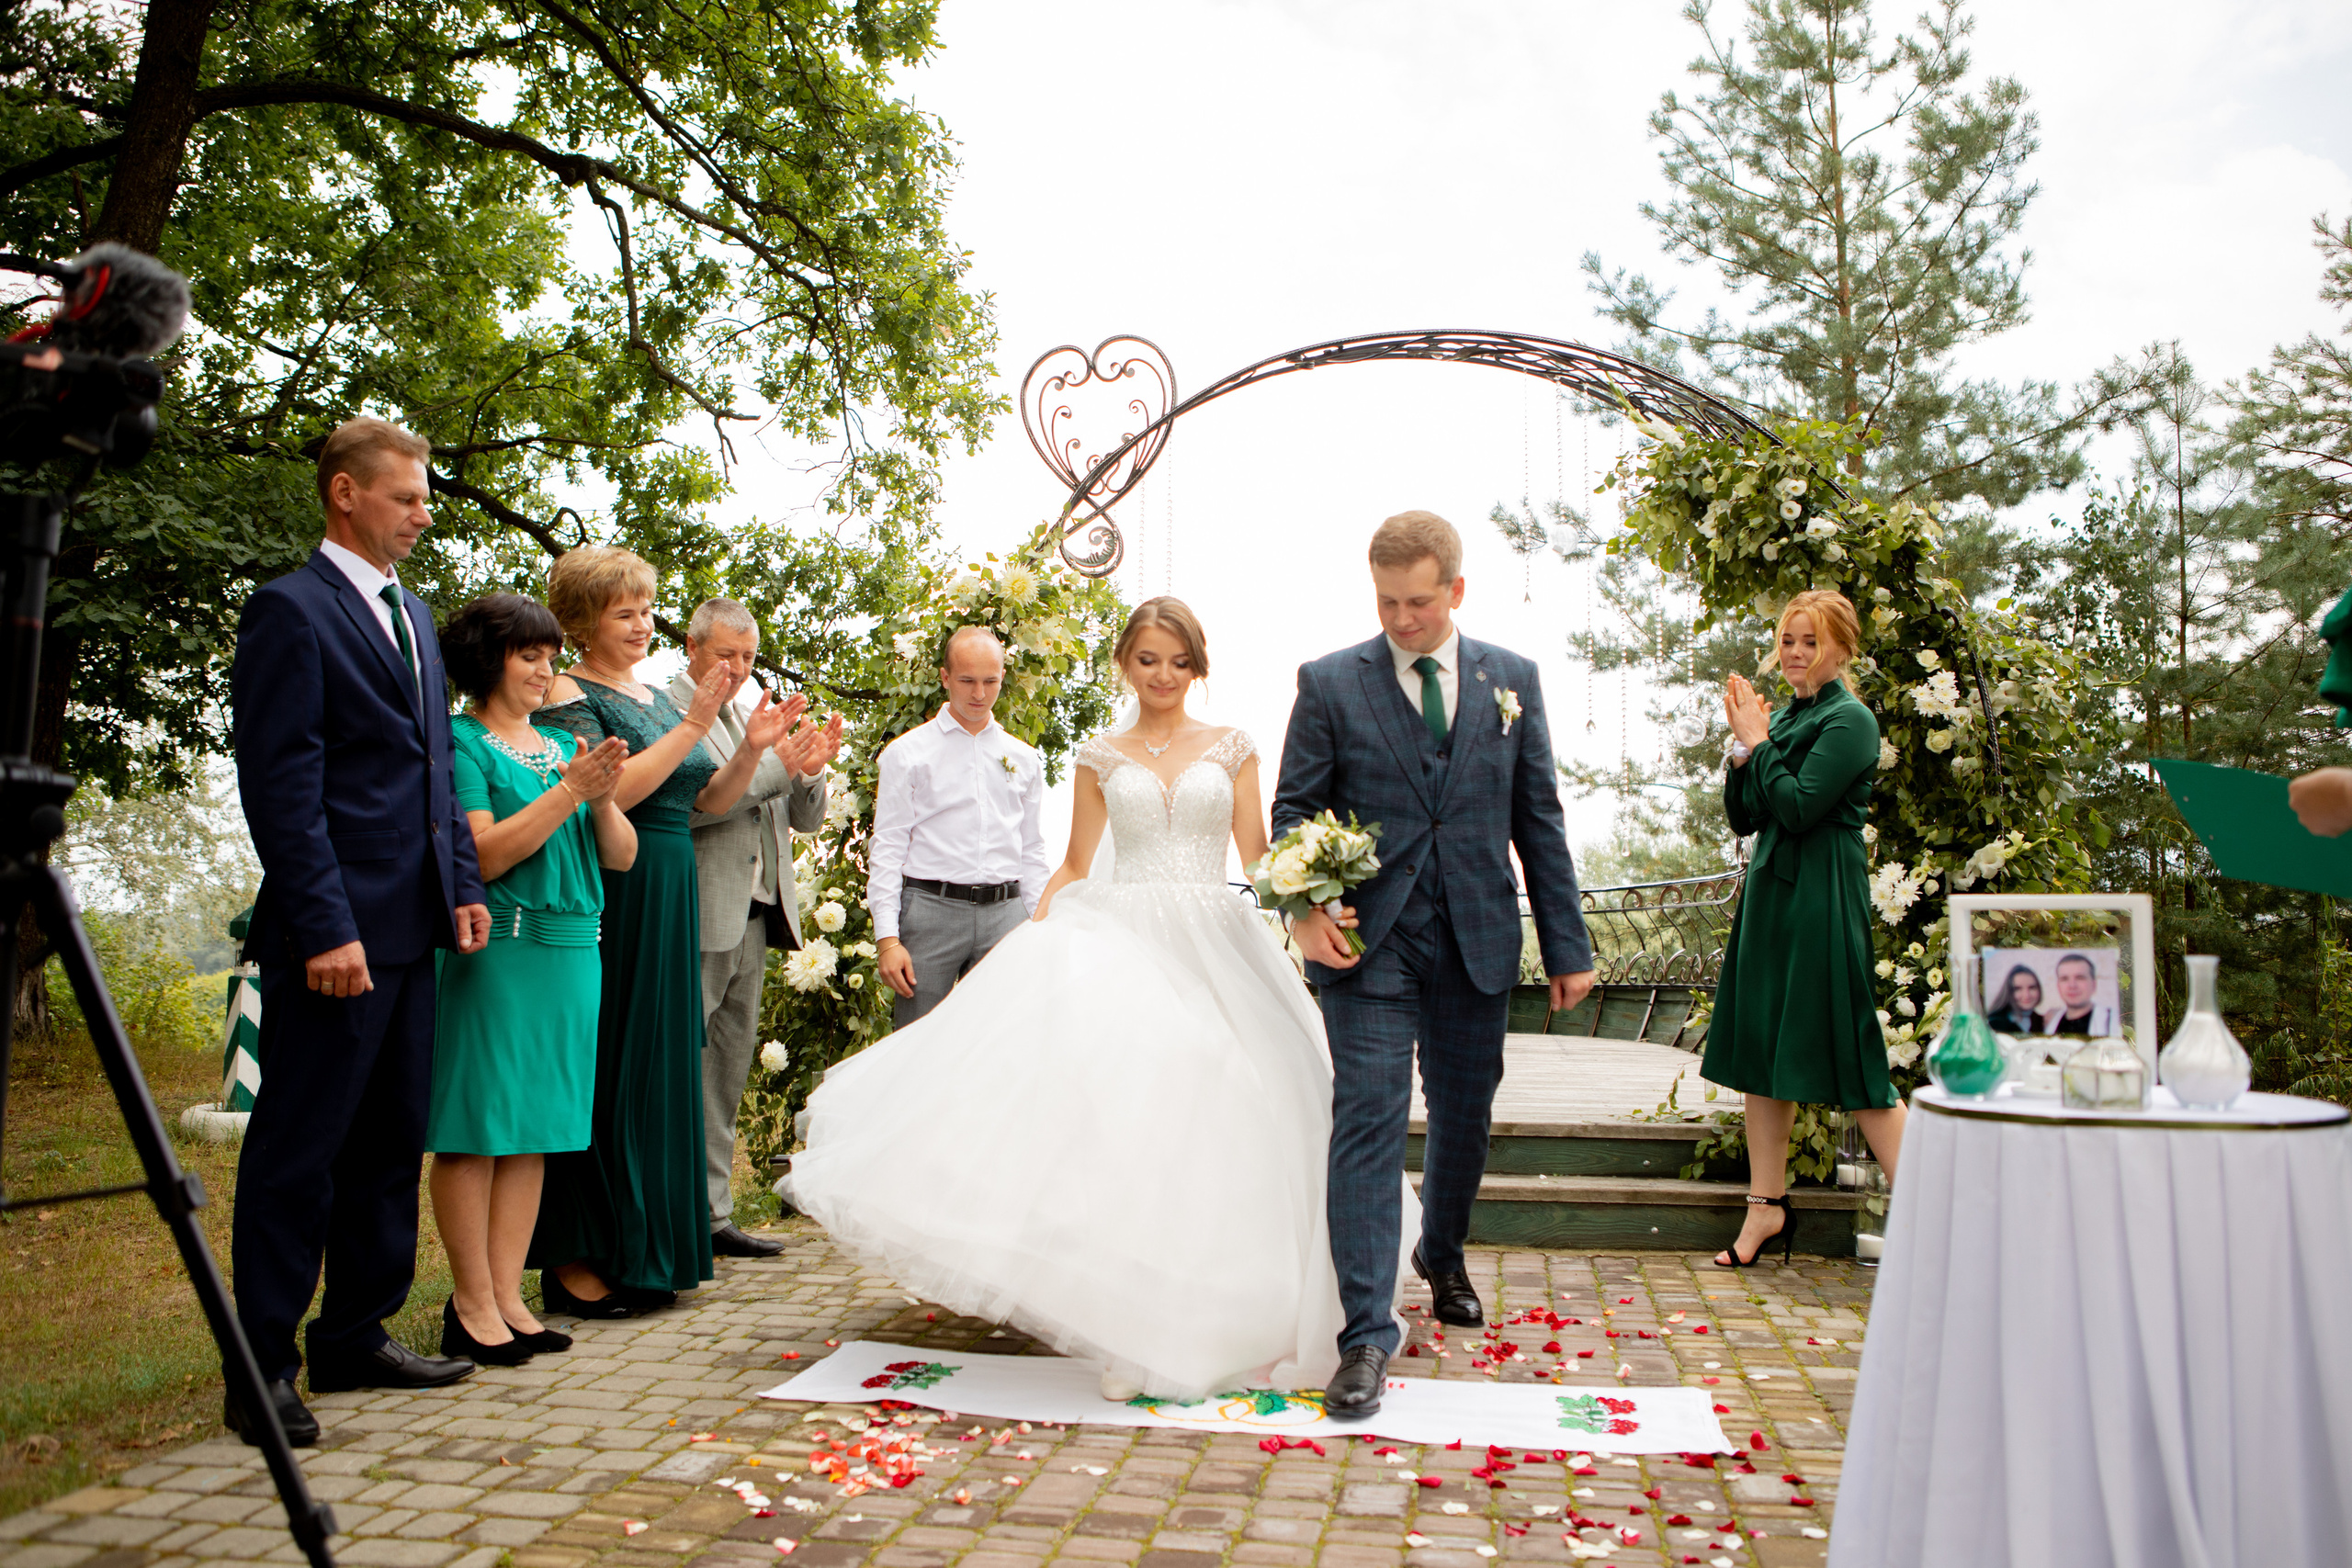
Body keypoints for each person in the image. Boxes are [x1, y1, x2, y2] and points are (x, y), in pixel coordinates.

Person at [787, 598, 1396, 1403]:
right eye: (1148, 659)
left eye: (1179, 661)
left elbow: (1258, 855)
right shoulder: (1099, 753)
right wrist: (1040, 931)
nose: (1164, 676)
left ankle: (1232, 1299)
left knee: (1234, 1106)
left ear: (1198, 667)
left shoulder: (1236, 747)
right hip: (1128, 938)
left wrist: (1308, 904)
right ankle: (1129, 1318)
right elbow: (1076, 861)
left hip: (1217, 940)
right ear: (1126, 662)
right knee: (1133, 1122)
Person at [1271, 511, 1597, 1418]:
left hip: (1478, 934)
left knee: (1464, 1110)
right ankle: (1366, 1336)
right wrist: (1302, 909)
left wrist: (1567, 945)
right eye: (1385, 603)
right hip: (1366, 942)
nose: (1401, 621)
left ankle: (1441, 1250)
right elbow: (1293, 814)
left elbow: (1539, 820)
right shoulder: (1330, 682)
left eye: (1417, 602)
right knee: (1368, 1119)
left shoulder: (1513, 682)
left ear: (1454, 591)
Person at [227, 416, 491, 1446]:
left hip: (413, 923)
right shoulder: (289, 613)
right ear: (346, 493)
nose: (424, 515)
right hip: (333, 936)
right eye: (408, 498)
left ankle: (355, 1334)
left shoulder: (415, 618)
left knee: (388, 1141)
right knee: (301, 1148)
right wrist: (324, 925)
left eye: (425, 500)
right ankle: (261, 1368)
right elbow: (282, 788)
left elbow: (431, 771)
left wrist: (459, 881)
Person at [529, 547, 797, 1318]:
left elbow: (707, 799)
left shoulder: (644, 695)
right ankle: (581, 1259)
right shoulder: (568, 691)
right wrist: (694, 723)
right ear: (583, 620)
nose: (643, 624)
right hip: (624, 885)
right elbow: (613, 788)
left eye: (648, 610)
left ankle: (652, 1252)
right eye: (626, 612)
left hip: (676, 875)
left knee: (666, 1065)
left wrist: (749, 747)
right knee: (617, 1061)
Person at [426, 593, 639, 1366]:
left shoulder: (561, 744)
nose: (547, 670)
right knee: (478, 1127)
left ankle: (510, 1295)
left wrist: (602, 797)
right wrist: (570, 792)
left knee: (537, 1133)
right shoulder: (461, 742)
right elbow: (482, 855)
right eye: (529, 656)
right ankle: (469, 1301)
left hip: (575, 950)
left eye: (551, 656)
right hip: (501, 952)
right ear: (490, 661)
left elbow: (619, 857)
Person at [1704, 589, 1905, 1269]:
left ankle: (1931, 1209)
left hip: (1821, 894)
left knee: (1853, 1052)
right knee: (1762, 1050)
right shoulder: (1789, 716)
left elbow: (1795, 806)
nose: (1794, 652)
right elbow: (1747, 813)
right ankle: (1766, 1209)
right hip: (1772, 894)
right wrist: (1743, 750)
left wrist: (1760, 744)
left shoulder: (1851, 722)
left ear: (1842, 648)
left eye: (1809, 640)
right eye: (1788, 639)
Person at [668, 599, 842, 1258]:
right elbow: (697, 806)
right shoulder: (671, 712)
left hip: (758, 914)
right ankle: (673, 1215)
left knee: (726, 1073)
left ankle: (713, 1215)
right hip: (698, 908)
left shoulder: (749, 716)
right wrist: (773, 761)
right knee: (681, 1064)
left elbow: (804, 819)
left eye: (747, 656)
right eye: (725, 654)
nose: (738, 668)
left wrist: (811, 766)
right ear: (691, 647)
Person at [867, 626, 1050, 1026]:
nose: (979, 694)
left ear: (1003, 676)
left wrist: (1039, 927)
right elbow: (888, 847)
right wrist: (887, 939)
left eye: (990, 681)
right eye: (967, 680)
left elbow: (1032, 849)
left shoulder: (1025, 758)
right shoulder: (906, 754)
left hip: (1007, 916)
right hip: (929, 913)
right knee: (915, 1045)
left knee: (999, 1043)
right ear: (945, 677)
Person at [2037, 953, 2116, 1035]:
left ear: (2093, 984)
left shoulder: (2112, 1021)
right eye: (2064, 979)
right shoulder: (2050, 1023)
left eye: (2080, 978)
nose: (2072, 985)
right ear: (2058, 985)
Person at [1985, 964, 2044, 1035]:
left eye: (2032, 988)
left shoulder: (2043, 1022)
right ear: (2008, 992)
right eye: (2018, 989)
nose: (2026, 995)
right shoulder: (1993, 1024)